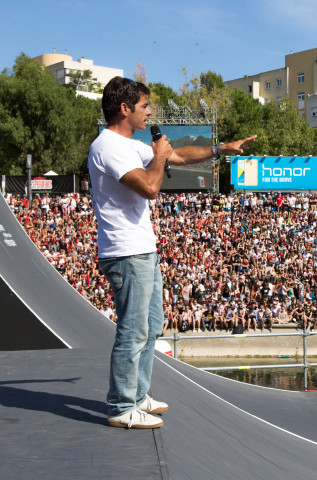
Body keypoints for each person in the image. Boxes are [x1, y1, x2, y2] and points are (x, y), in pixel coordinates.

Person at [89, 77, 256, 429]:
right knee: (133, 330)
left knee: (151, 327)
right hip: (125, 253)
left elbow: (177, 155)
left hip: (143, 249)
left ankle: (137, 396)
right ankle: (121, 406)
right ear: (125, 108)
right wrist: (161, 159)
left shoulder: (131, 144)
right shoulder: (107, 147)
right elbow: (150, 186)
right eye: (144, 106)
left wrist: (221, 148)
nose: (149, 112)